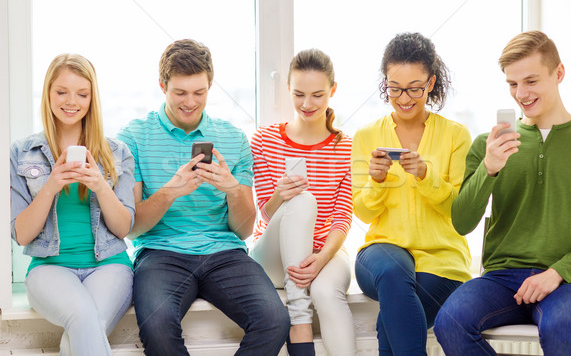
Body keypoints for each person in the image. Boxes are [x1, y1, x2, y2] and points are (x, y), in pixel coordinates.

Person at [116, 39, 290, 356]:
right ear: (162, 85)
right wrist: (171, 191)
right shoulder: (133, 137)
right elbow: (133, 229)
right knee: (156, 328)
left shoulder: (233, 139)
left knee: (275, 319)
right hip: (160, 253)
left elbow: (244, 230)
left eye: (200, 92)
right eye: (180, 93)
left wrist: (232, 189)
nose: (190, 102)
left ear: (210, 85)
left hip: (225, 253)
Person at [434, 30, 571, 355]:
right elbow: (462, 221)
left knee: (562, 329)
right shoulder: (488, 144)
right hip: (501, 278)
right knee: (450, 321)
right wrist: (489, 168)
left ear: (559, 73)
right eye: (512, 84)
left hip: (569, 281)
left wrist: (558, 273)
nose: (521, 93)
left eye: (531, 81)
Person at [351, 32, 472, 355]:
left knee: (391, 322)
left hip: (441, 262)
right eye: (395, 88)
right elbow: (362, 213)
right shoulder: (366, 136)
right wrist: (376, 181)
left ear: (431, 83)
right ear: (385, 83)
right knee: (394, 272)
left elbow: (459, 210)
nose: (404, 98)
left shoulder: (456, 135)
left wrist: (425, 175)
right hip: (382, 253)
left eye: (414, 88)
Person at [10, 54, 135, 356]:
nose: (71, 101)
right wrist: (51, 185)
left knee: (82, 331)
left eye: (82, 93)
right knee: (83, 319)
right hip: (49, 269)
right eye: (61, 91)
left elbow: (123, 228)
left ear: (93, 99)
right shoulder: (21, 153)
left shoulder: (118, 153)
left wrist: (100, 186)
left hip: (110, 266)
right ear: (48, 94)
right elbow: (22, 235)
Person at [250, 49, 356, 356]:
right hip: (271, 257)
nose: (307, 104)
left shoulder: (346, 147)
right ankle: (300, 322)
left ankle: (302, 320)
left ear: (332, 91)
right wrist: (281, 196)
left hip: (323, 252)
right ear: (287, 89)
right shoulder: (264, 140)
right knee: (303, 199)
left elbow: (342, 218)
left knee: (325, 292)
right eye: (299, 94)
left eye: (317, 95)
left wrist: (321, 260)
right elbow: (265, 215)